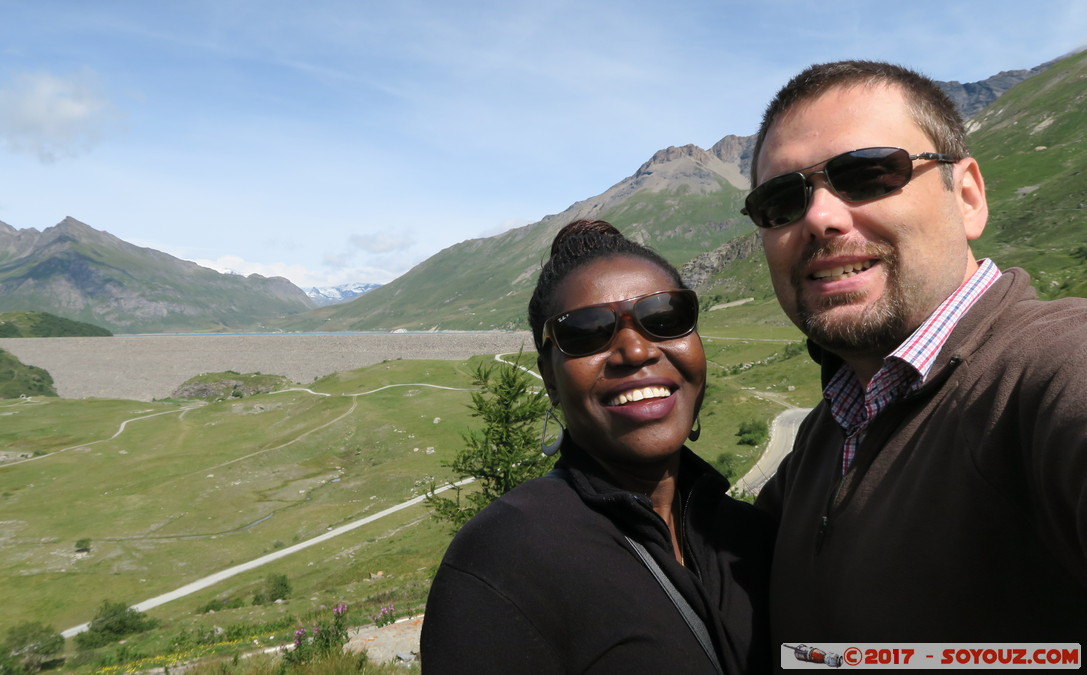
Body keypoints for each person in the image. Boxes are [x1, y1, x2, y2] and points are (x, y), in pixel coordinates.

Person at [746, 60, 1087, 643]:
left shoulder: (1051, 368)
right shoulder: (829, 429)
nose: (820, 217)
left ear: (969, 197)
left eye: (869, 174)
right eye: (782, 201)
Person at [420, 220, 773, 673]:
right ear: (549, 377)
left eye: (666, 318)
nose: (636, 351)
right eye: (586, 333)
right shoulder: (503, 561)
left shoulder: (753, 537)